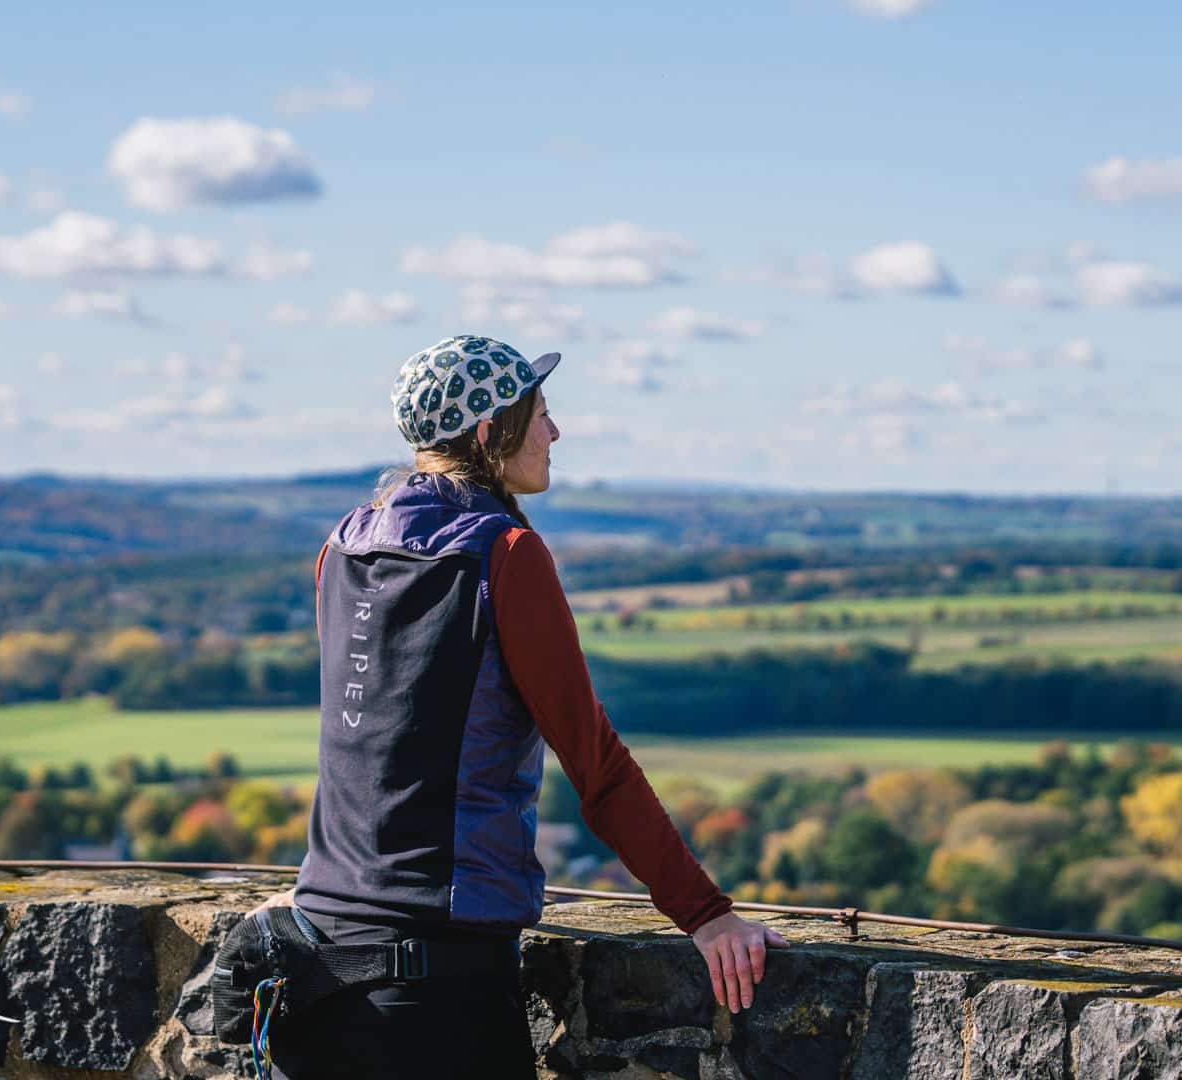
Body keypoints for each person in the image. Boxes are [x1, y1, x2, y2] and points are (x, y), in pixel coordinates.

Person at [250, 334, 788, 1079]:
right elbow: (593, 761)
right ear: (485, 431)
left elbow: (368, 741)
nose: (554, 431)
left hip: (315, 961)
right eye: (539, 412)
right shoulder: (503, 554)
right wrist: (705, 912)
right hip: (437, 987)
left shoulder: (343, 545)